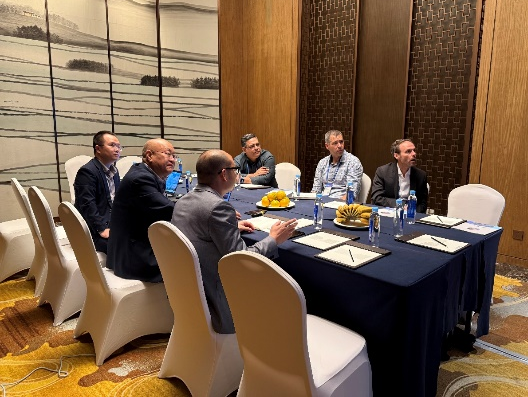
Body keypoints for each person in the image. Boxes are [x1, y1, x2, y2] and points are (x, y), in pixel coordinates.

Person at [171, 149, 297, 334]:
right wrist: (273, 239)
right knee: (285, 289)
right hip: (218, 302)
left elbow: (201, 230)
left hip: (188, 294)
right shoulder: (218, 207)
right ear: (224, 174)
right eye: (235, 169)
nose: (237, 173)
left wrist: (230, 227)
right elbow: (241, 260)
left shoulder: (183, 200)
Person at [107, 138, 177, 282]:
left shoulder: (144, 172)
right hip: (134, 258)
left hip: (131, 247)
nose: (172, 159)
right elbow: (168, 210)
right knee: (194, 258)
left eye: (174, 156)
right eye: (167, 154)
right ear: (149, 156)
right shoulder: (140, 179)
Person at [74, 131, 122, 254]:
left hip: (111, 222)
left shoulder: (114, 171)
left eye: (119, 146)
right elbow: (87, 204)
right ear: (98, 149)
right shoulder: (87, 172)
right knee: (126, 247)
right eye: (112, 145)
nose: (117, 149)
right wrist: (102, 229)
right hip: (93, 229)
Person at [370, 138, 428, 213]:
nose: (414, 154)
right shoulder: (383, 172)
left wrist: (411, 212)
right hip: (389, 213)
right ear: (396, 155)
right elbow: (377, 198)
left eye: (414, 150)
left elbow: (423, 204)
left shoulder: (421, 175)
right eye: (408, 151)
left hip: (411, 215)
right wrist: (402, 205)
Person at [311, 130, 363, 200]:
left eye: (341, 142)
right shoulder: (322, 163)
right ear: (327, 146)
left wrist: (335, 203)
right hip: (322, 201)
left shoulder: (353, 162)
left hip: (341, 203)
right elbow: (316, 190)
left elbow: (351, 193)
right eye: (335, 143)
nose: (339, 146)